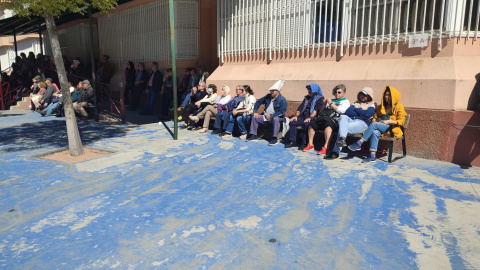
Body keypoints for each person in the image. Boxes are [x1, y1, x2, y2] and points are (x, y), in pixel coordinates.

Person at [348, 86, 407, 162]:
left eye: (389, 95)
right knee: (375, 132)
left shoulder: (399, 107)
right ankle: (372, 155)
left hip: (392, 128)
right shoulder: (380, 107)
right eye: (385, 94)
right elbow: (375, 116)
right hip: (381, 127)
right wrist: (377, 119)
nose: (386, 96)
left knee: (374, 125)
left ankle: (359, 142)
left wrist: (388, 121)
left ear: (394, 96)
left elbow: (401, 121)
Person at [325, 87, 376, 160]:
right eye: (361, 94)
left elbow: (367, 114)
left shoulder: (371, 105)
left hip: (362, 123)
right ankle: (342, 139)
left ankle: (335, 152)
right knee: (344, 117)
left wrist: (355, 109)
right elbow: (348, 112)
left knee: (343, 128)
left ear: (369, 96)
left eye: (364, 95)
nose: (362, 96)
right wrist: (362, 113)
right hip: (351, 120)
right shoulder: (356, 103)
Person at [303, 84, 350, 155]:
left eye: (339, 92)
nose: (337, 94)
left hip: (335, 120)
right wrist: (324, 104)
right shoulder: (332, 100)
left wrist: (330, 103)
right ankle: (310, 144)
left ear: (344, 93)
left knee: (329, 125)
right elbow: (321, 111)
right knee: (312, 123)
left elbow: (341, 111)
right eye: (336, 92)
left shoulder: (345, 102)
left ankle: (326, 147)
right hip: (325, 118)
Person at [246, 79, 287, 145]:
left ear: (278, 91)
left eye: (273, 91)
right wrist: (255, 112)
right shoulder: (268, 96)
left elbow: (282, 112)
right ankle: (253, 135)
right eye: (271, 90)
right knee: (255, 117)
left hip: (277, 117)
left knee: (276, 119)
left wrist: (271, 115)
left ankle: (274, 138)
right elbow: (258, 102)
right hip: (266, 116)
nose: (271, 92)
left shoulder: (282, 100)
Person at [283, 84, 324, 149]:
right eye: (308, 89)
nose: (309, 91)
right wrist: (296, 116)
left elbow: (316, 110)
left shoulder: (320, 98)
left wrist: (310, 117)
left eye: (310, 89)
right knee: (292, 122)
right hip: (303, 117)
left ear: (315, 90)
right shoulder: (306, 98)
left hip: (313, 118)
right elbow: (300, 108)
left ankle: (304, 143)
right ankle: (293, 141)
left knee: (307, 124)